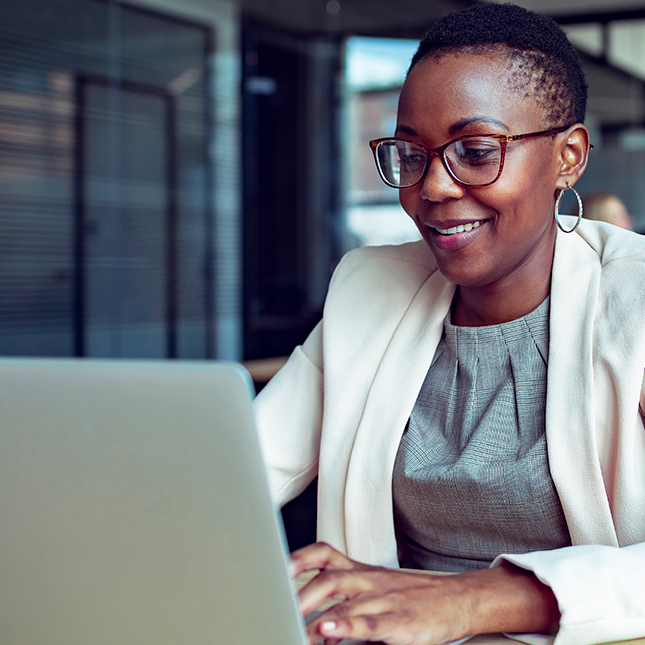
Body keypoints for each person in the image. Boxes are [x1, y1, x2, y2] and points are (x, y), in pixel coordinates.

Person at [254, 4, 645, 645]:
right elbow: (240, 474)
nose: (432, 186)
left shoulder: (635, 297)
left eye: (476, 150)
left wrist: (470, 601)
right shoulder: (367, 290)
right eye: (411, 153)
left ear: (568, 157)